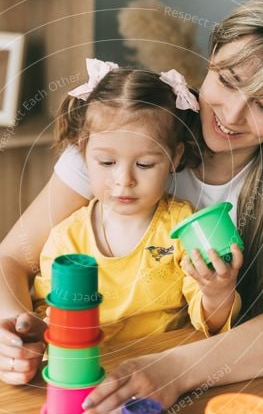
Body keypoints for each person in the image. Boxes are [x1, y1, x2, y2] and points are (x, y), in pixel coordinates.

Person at [0, 0, 263, 414]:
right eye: (227, 81)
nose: (231, 114)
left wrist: (174, 370)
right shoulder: (129, 132)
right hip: (80, 379)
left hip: (222, 387)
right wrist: (11, 334)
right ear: (210, 56)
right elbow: (10, 260)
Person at [32, 60, 243, 345]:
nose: (124, 180)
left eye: (144, 164)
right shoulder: (65, 241)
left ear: (175, 157)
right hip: (92, 371)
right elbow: (47, 318)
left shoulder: (183, 228)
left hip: (164, 372)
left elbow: (210, 324)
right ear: (83, 152)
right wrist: (42, 328)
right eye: (107, 162)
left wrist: (218, 292)